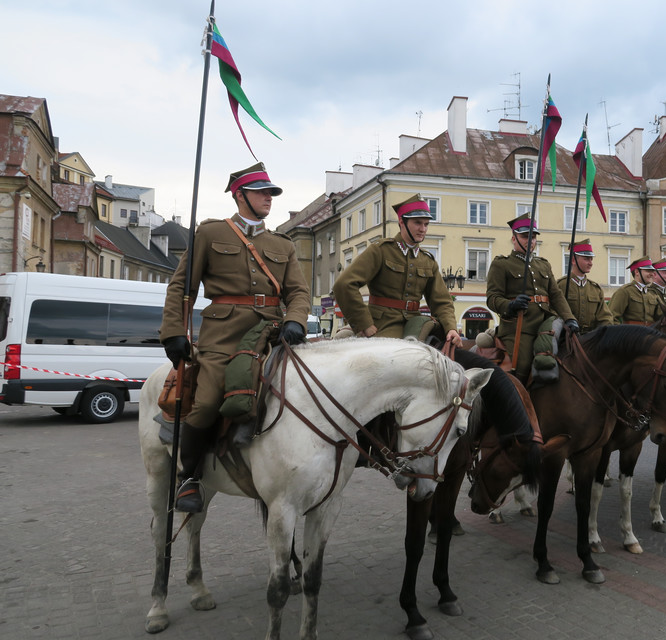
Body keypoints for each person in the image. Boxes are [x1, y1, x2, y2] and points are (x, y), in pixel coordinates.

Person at [160, 162, 311, 513]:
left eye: (271, 193)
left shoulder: (282, 244)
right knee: (209, 400)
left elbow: (299, 293)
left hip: (272, 333)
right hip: (224, 336)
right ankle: (189, 476)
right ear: (239, 194)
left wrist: (296, 321)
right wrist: (173, 333)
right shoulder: (211, 233)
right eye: (261, 192)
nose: (269, 199)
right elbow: (182, 286)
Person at [332, 193, 461, 347]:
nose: (423, 229)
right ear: (402, 221)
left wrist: (451, 328)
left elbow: (442, 302)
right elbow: (344, 284)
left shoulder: (428, 260)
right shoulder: (380, 250)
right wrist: (364, 324)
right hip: (382, 323)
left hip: (415, 322)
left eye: (426, 224)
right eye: (418, 223)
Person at [486, 213, 577, 381]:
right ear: (514, 238)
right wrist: (510, 305)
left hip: (546, 321)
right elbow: (492, 298)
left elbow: (555, 295)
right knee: (521, 366)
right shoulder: (502, 264)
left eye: (533, 237)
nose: (530, 241)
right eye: (524, 236)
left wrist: (569, 318)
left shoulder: (543, 264)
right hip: (520, 326)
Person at [557, 239, 613, 333]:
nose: (590, 263)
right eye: (586, 259)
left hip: (591, 339)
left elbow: (605, 317)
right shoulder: (561, 285)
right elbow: (553, 313)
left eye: (591, 259)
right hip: (566, 337)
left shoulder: (595, 289)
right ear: (574, 260)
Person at [609, 257, 660, 325]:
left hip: (650, 334)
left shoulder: (653, 294)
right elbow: (611, 317)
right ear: (637, 272)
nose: (652, 274)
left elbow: (662, 317)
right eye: (648, 271)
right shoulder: (625, 291)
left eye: (652, 271)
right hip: (630, 334)